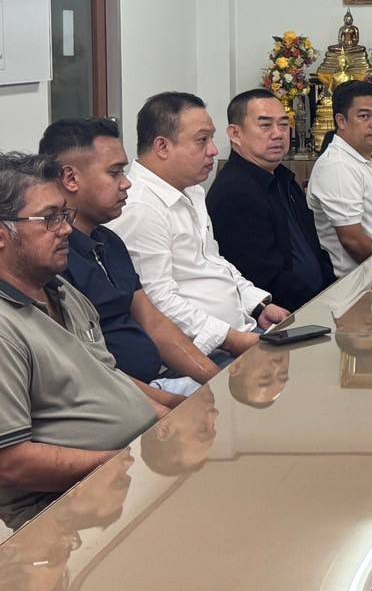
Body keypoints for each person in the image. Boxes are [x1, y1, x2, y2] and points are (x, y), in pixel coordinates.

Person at [0, 153, 161, 528]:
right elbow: (11, 463)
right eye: (49, 219)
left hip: (125, 480)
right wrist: (122, 460)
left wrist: (173, 413)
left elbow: (107, 376)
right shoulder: (6, 327)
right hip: (66, 511)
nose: (66, 230)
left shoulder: (61, 290)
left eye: (64, 215)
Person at [39, 118, 218, 397]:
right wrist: (172, 403)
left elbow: (154, 324)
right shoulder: (54, 259)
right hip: (113, 399)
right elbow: (89, 369)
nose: (126, 183)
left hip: (158, 384)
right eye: (114, 173)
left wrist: (216, 379)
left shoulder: (110, 241)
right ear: (71, 179)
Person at [111, 93, 289, 361]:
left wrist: (258, 305)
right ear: (162, 146)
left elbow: (214, 263)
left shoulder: (192, 190)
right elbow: (159, 302)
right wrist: (229, 339)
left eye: (211, 138)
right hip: (204, 351)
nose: (214, 150)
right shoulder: (140, 207)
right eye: (202, 140)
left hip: (241, 330)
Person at [206, 90, 334, 312]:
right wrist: (318, 307)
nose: (278, 134)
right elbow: (263, 275)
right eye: (265, 125)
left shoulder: (284, 179)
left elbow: (314, 249)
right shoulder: (235, 191)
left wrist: (332, 294)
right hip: (280, 314)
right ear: (235, 133)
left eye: (283, 125)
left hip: (318, 303)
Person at [308, 80, 372, 276]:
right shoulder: (338, 165)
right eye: (364, 116)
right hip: (357, 280)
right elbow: (353, 240)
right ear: (341, 121)